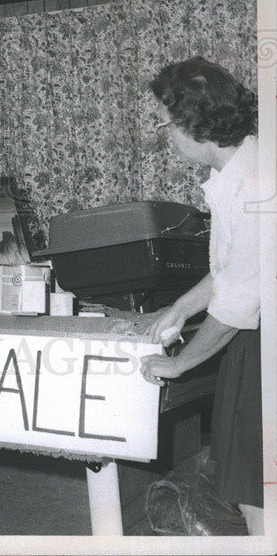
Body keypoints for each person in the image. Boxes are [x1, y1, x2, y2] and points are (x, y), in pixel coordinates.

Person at [139, 58, 263, 535]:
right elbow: (229, 270)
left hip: (264, 345)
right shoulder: (242, 168)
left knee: (258, 497)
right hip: (256, 340)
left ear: (193, 123)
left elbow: (239, 301)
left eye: (165, 123)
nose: (166, 135)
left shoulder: (254, 184)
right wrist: (181, 306)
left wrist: (178, 364)